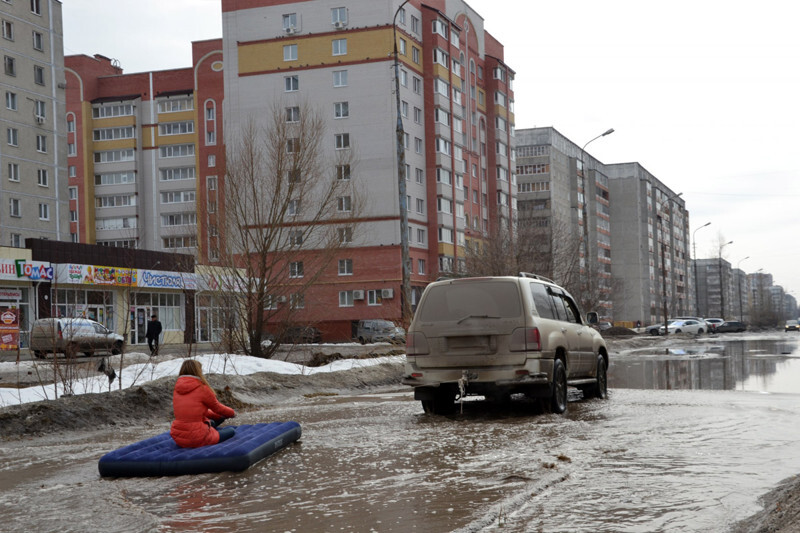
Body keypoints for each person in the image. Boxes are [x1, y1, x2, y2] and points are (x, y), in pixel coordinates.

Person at [170, 359, 236, 448]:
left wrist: (218, 416)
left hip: (178, 436)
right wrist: (232, 413)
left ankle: (210, 427)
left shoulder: (177, 389)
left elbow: (195, 411)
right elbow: (217, 407)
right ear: (198, 371)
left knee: (212, 421)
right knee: (231, 431)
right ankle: (209, 433)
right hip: (197, 438)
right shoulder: (202, 388)